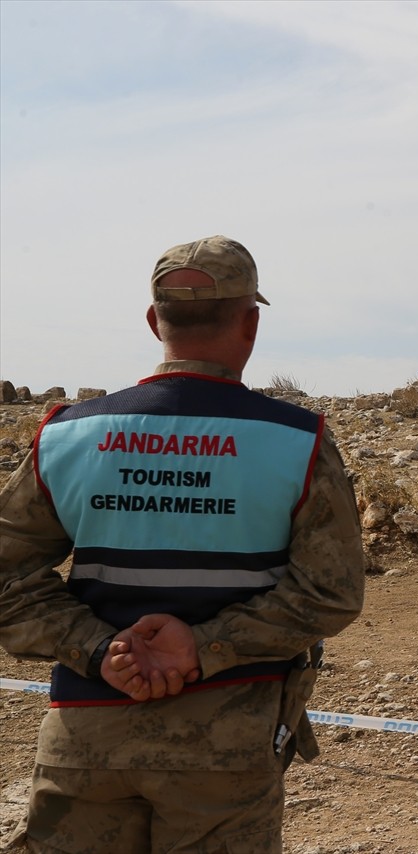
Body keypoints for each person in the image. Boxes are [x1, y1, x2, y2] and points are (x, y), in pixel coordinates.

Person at [0, 235, 366, 852]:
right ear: (250, 324)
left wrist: (100, 650)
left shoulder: (67, 436)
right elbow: (330, 592)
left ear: (153, 320)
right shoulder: (296, 442)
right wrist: (199, 649)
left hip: (84, 741)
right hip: (226, 747)